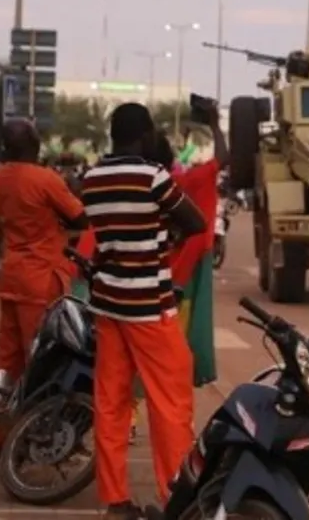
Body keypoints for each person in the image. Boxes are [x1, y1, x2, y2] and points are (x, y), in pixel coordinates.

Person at [81, 103, 206, 519]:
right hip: (149, 307)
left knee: (111, 403)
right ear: (145, 134)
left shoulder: (92, 179)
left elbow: (101, 238)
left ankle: (115, 499)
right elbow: (195, 222)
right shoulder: (153, 177)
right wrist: (166, 242)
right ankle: (176, 497)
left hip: (108, 304)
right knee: (169, 403)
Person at [0, 119, 87, 456]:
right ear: (34, 144)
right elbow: (79, 218)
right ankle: (35, 435)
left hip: (12, 274)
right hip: (41, 277)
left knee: (7, 359)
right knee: (42, 361)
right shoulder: (45, 179)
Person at [163, 102, 227, 388]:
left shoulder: (169, 181)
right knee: (184, 330)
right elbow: (225, 157)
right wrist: (214, 123)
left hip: (165, 266)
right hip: (193, 261)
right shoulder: (196, 178)